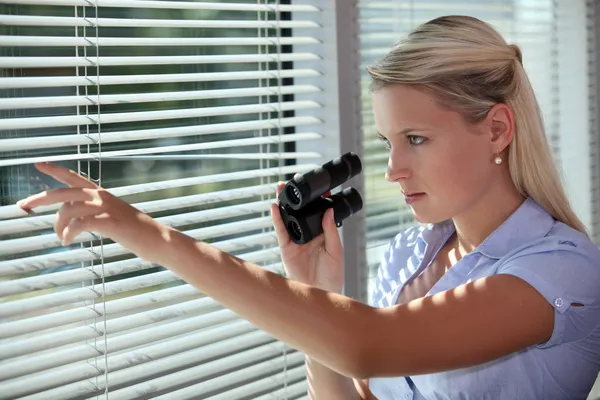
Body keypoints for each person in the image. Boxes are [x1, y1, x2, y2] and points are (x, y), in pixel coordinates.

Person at [15, 15, 600, 400]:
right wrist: (316, 287)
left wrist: (144, 232)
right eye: (387, 143)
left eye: (416, 139)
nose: (393, 169)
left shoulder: (557, 270)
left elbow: (368, 344)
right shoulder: (407, 258)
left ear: (497, 129)